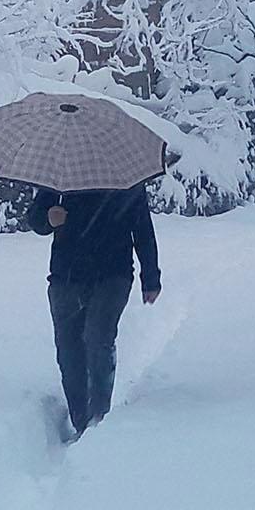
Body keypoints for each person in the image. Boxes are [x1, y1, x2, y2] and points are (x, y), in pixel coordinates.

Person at [27, 184, 161, 440]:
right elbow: (35, 218)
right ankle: (80, 419)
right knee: (69, 348)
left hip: (113, 274)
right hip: (66, 276)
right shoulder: (61, 175)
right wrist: (48, 218)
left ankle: (99, 418)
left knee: (98, 337)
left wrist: (151, 276)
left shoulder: (125, 177)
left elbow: (142, 228)